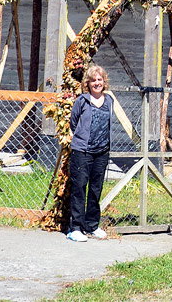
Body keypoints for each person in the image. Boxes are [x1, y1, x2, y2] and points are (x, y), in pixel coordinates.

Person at [67, 63, 112, 241]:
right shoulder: (82, 101)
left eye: (99, 80)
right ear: (88, 83)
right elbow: (73, 122)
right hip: (82, 152)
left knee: (96, 189)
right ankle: (75, 228)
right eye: (93, 80)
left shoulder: (109, 101)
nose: (97, 83)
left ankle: (92, 225)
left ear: (104, 82)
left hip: (101, 152)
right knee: (79, 188)